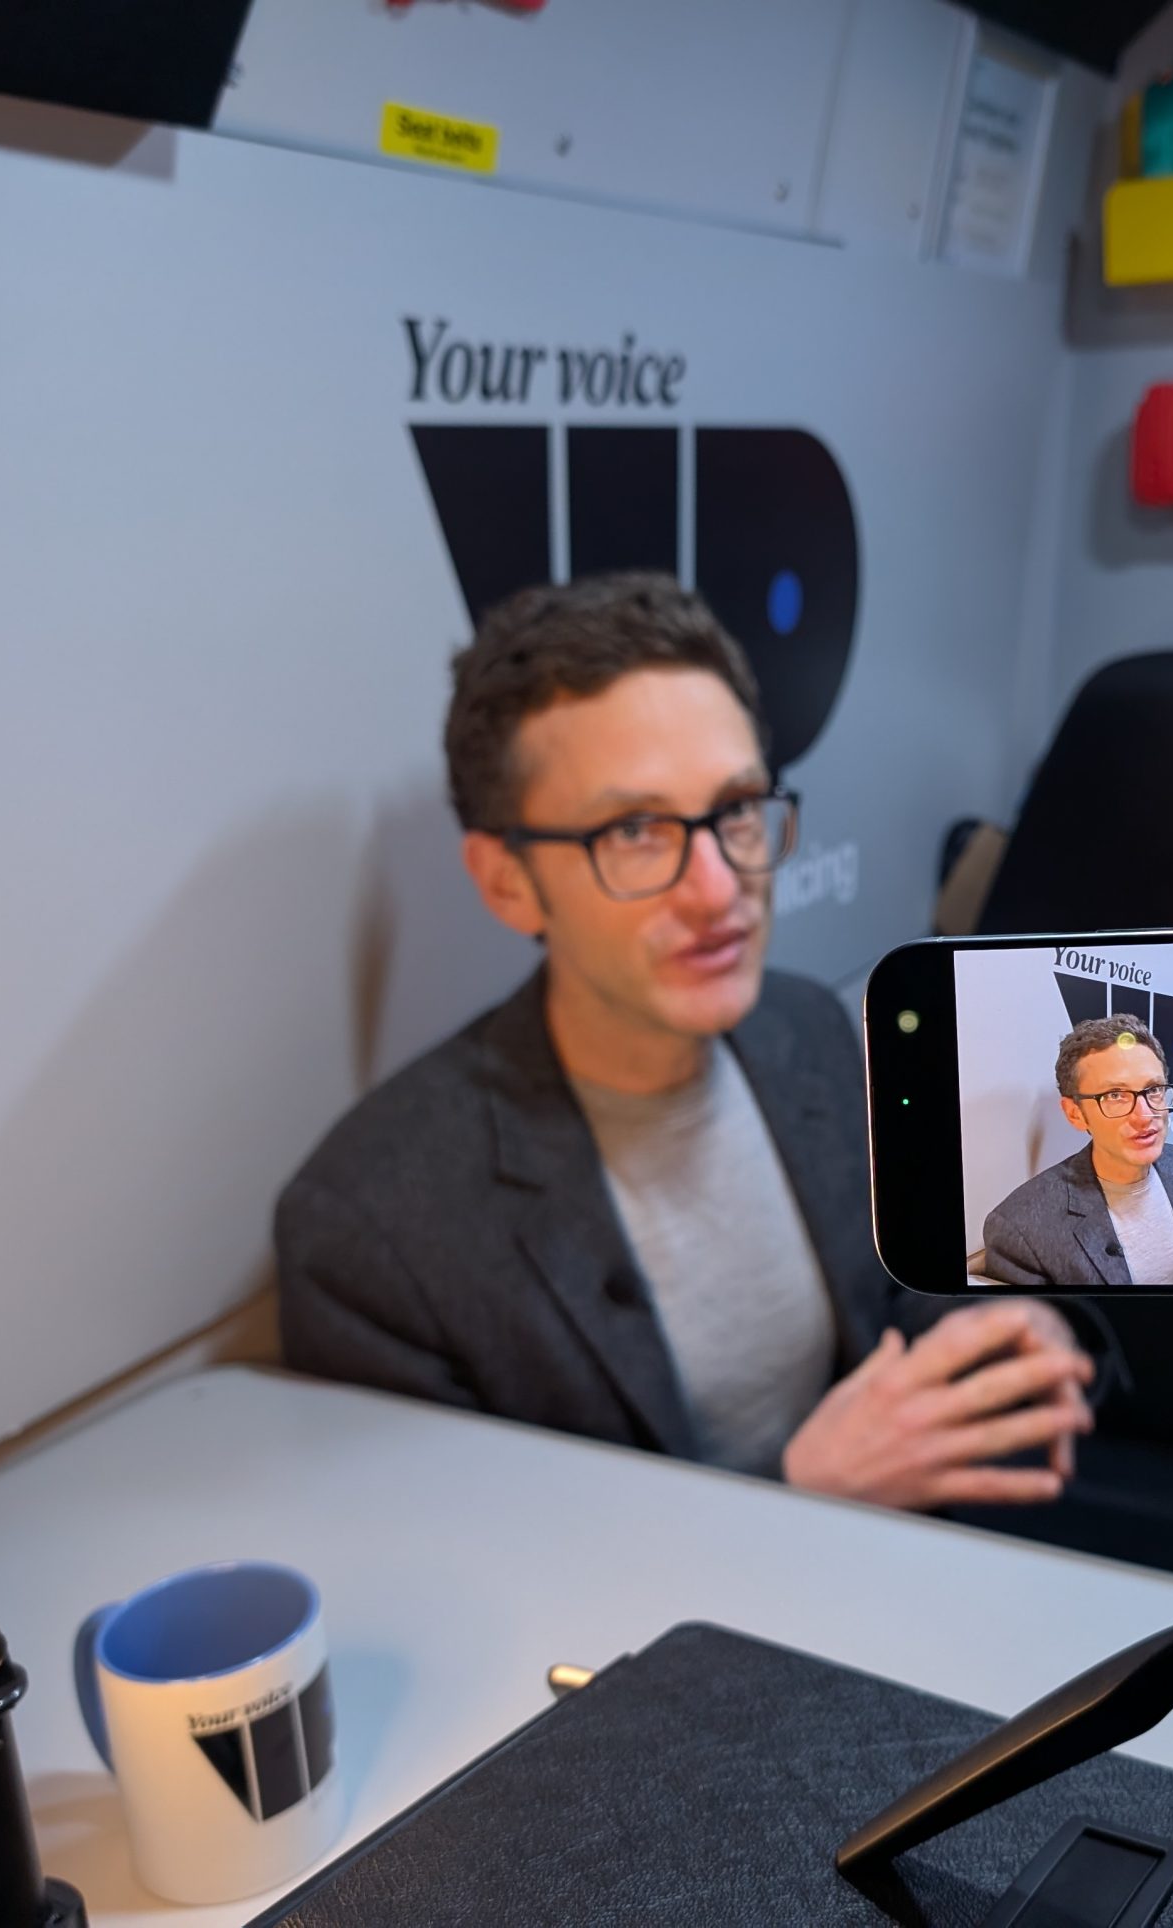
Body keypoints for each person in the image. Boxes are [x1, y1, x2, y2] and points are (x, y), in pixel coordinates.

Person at [275, 573, 1095, 1515]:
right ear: (506, 882)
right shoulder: (370, 1229)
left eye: (737, 808)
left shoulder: (803, 1028)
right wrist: (797, 1493)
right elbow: (470, 1570)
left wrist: (1012, 1322)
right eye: (635, 830)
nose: (718, 889)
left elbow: (896, 1304)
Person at [981, 1016, 1173, 1288]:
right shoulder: (1020, 1228)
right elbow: (1044, 1340)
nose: (1145, 1115)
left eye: (1154, 1089)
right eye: (1115, 1095)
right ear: (1075, 1114)